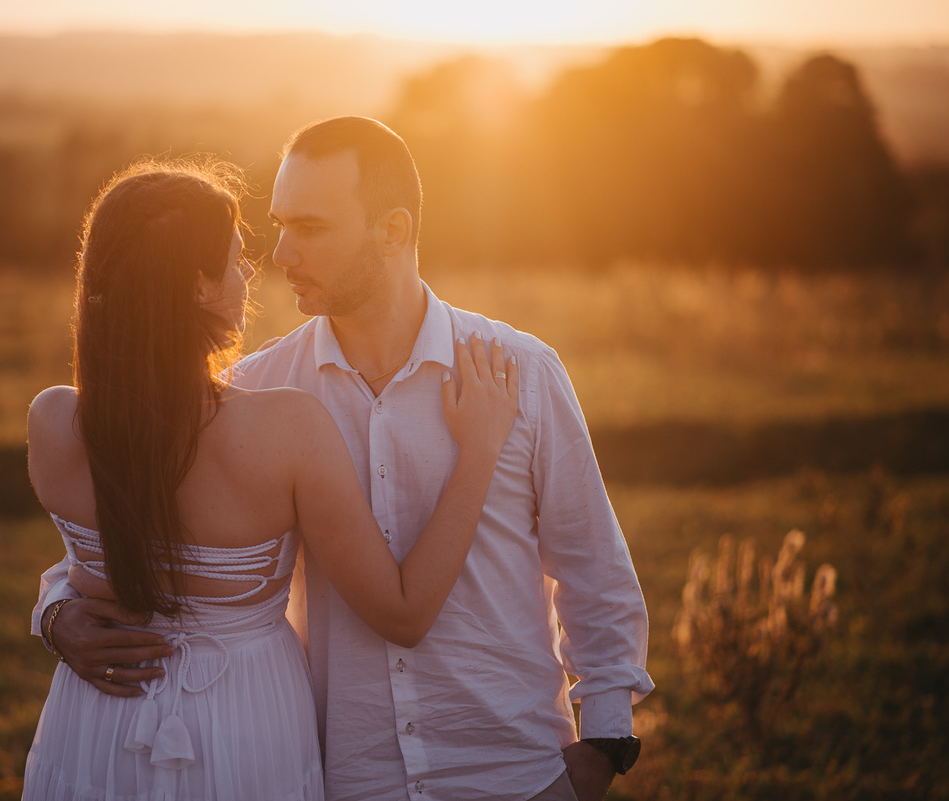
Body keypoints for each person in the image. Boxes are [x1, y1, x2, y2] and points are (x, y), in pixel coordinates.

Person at [37, 118, 654, 801]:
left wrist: (603, 747)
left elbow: (594, 567)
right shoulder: (254, 395)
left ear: (392, 232)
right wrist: (58, 612)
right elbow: (145, 540)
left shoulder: (521, 373)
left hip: (513, 769)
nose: (280, 253)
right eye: (278, 224)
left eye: (310, 227)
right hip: (350, 776)